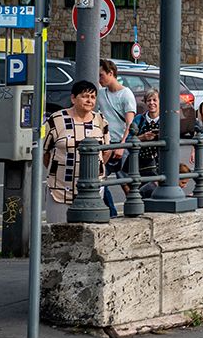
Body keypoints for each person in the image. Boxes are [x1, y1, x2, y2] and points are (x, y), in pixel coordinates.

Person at [44, 80, 111, 223]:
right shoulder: (56, 120)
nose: (89, 100)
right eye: (85, 96)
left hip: (92, 190)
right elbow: (45, 152)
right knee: (58, 231)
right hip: (60, 188)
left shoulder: (100, 120)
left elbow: (106, 151)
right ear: (73, 98)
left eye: (93, 97)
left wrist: (93, 169)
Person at [97, 59, 136, 217]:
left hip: (120, 143)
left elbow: (130, 124)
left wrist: (122, 145)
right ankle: (111, 212)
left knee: (126, 183)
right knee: (99, 178)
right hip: (106, 143)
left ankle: (134, 211)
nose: (99, 79)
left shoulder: (126, 94)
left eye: (101, 75)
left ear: (110, 74)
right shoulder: (101, 93)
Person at [131, 89, 162, 179]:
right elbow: (129, 139)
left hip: (159, 161)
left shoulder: (166, 119)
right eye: (149, 100)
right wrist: (142, 137)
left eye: (155, 100)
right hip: (141, 160)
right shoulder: (139, 119)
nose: (151, 103)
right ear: (145, 102)